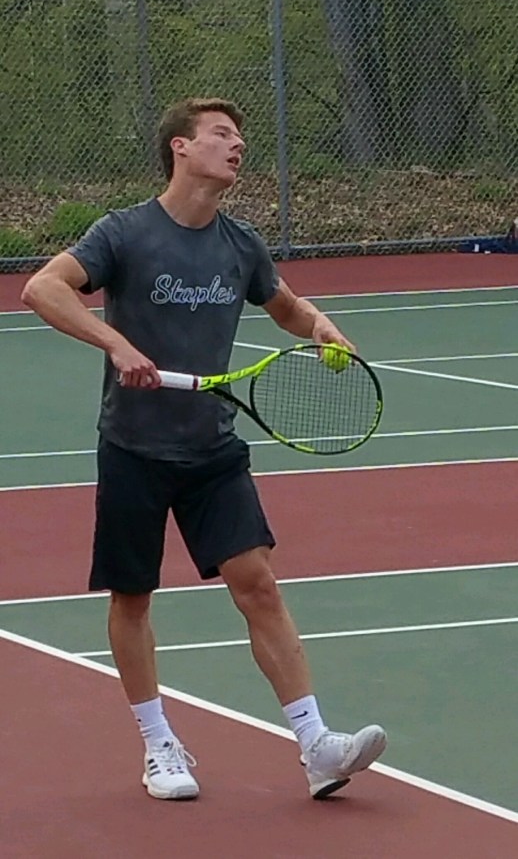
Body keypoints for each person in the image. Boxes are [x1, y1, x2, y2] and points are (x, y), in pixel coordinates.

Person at [22, 97, 387, 801]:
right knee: (133, 597)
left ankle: (317, 745)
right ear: (181, 148)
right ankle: (158, 744)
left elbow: (284, 305)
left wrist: (318, 324)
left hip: (212, 447)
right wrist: (117, 344)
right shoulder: (124, 233)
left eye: (240, 137)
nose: (237, 145)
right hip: (133, 446)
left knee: (259, 584)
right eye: (221, 134)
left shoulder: (241, 244)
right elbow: (43, 288)